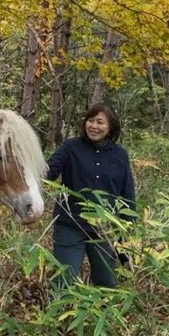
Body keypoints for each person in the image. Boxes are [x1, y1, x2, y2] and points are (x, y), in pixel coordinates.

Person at [46, 103, 136, 288]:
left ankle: (103, 315)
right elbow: (48, 172)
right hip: (70, 225)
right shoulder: (71, 147)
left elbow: (127, 195)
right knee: (64, 281)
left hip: (105, 229)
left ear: (111, 127)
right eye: (90, 120)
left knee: (106, 282)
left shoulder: (120, 155)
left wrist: (127, 231)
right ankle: (58, 316)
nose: (93, 126)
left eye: (100, 122)